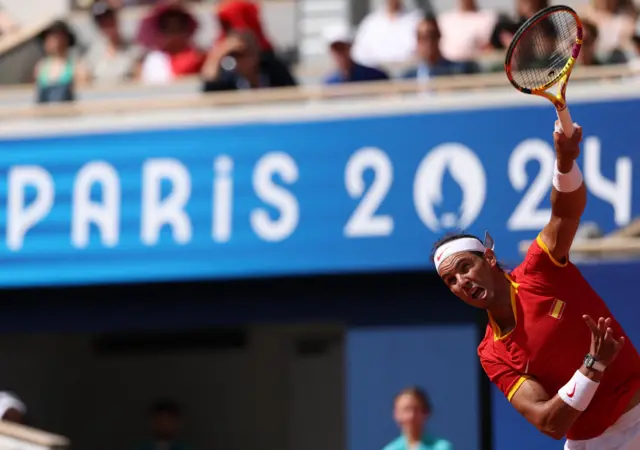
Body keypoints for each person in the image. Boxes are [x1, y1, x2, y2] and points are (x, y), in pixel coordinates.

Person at [431, 122, 640, 449]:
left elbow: (564, 213)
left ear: (488, 257)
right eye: (450, 281)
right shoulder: (491, 353)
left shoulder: (539, 269)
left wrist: (565, 162)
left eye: (464, 267)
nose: (461, 282)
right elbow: (548, 421)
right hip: (589, 443)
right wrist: (593, 365)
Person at [201, 29, 296, 92]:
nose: (238, 59)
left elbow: (294, 94)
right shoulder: (228, 78)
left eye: (243, 54)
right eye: (233, 55)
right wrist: (218, 54)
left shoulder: (274, 70)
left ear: (256, 53)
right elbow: (208, 93)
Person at [403, 14, 479, 81]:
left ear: (439, 36)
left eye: (432, 36)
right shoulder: (408, 77)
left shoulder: (457, 71)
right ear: (417, 41)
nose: (428, 42)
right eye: (422, 38)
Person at [34, 20, 89, 104]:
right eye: (48, 36)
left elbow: (82, 96)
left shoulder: (76, 66)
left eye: (56, 36)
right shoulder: (41, 66)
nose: (51, 41)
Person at [383, 387, 452, 450]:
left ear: (426, 413)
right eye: (406, 410)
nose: (411, 416)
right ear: (396, 415)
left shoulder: (442, 447)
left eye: (416, 410)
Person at [323, 23, 389, 85]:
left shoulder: (375, 76)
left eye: (342, 48)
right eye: (336, 49)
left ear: (350, 47)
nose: (340, 53)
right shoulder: (329, 83)